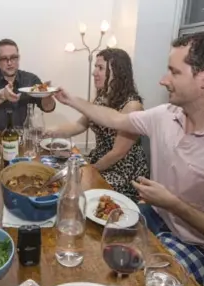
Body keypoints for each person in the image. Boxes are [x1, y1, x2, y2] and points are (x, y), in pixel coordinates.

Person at [54, 30, 204, 286]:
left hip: (202, 249)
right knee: (92, 248)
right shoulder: (166, 115)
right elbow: (114, 119)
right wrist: (71, 99)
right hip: (156, 217)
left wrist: (175, 205)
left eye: (174, 72)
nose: (163, 80)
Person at [47, 48, 149, 200]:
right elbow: (79, 126)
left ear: (117, 72)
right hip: (99, 161)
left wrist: (90, 170)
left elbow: (117, 153)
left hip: (122, 173)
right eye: (95, 67)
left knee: (74, 190)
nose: (94, 72)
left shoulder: (132, 105)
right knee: (56, 174)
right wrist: (49, 131)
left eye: (100, 68)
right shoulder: (101, 98)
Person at [0, 38, 56, 131]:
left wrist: (47, 95)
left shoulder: (30, 79)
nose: (9, 63)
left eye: (13, 57)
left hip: (23, 138)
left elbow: (48, 108)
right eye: (4, 59)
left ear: (18, 58)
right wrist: (2, 95)